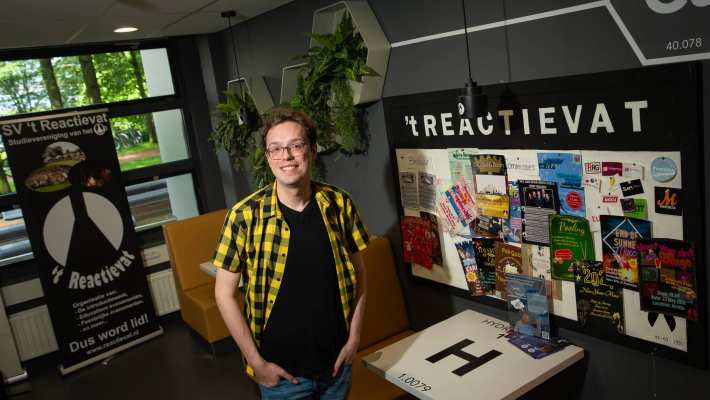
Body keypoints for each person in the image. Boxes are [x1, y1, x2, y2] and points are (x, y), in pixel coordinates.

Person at [213, 107, 370, 399]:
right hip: (281, 376)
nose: (285, 156)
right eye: (275, 149)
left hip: (337, 368)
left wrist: (355, 337)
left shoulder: (339, 204)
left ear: (312, 150)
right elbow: (223, 294)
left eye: (295, 146)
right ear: (268, 155)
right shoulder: (244, 216)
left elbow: (359, 273)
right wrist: (256, 363)